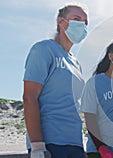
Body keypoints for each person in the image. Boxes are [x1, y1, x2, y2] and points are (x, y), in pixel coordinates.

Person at [22, 4, 88, 158]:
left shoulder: (75, 63)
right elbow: (29, 97)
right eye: (77, 19)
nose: (82, 25)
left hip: (75, 144)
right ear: (61, 21)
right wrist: (37, 147)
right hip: (52, 144)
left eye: (85, 22)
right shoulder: (44, 50)